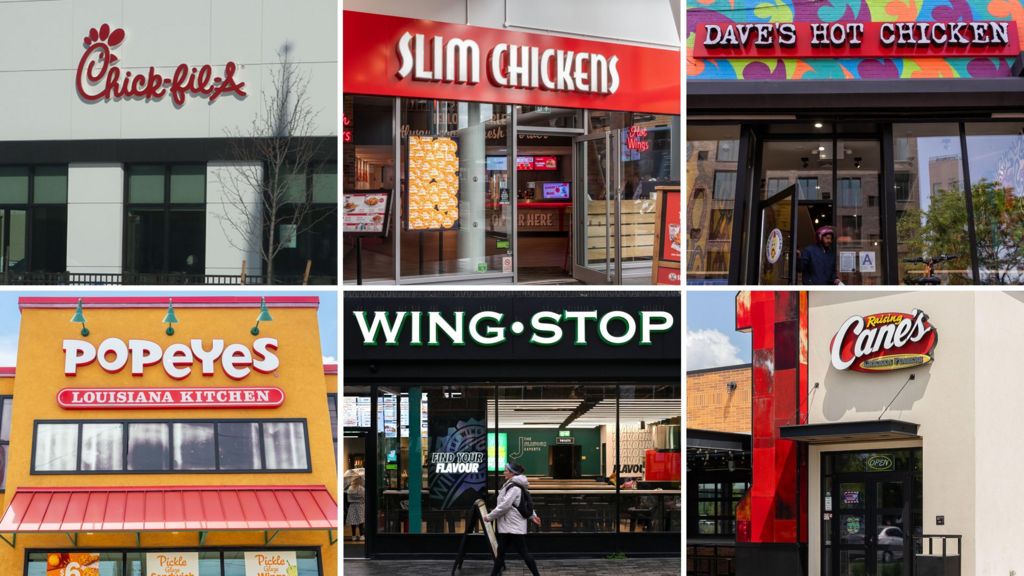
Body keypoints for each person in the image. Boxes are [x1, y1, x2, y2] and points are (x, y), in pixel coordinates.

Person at [484, 462, 542, 576]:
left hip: (512, 526)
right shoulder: (514, 485)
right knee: (501, 553)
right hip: (510, 525)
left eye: (506, 470)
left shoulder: (514, 487)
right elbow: (522, 504)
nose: (504, 472)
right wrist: (532, 516)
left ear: (512, 473)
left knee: (523, 553)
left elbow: (505, 506)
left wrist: (489, 517)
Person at [346, 476, 366, 541]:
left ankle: (353, 536)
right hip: (360, 506)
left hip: (352, 506)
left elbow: (348, 499)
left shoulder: (350, 489)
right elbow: (364, 498)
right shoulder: (362, 489)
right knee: (361, 521)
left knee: (353, 521)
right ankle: (361, 535)